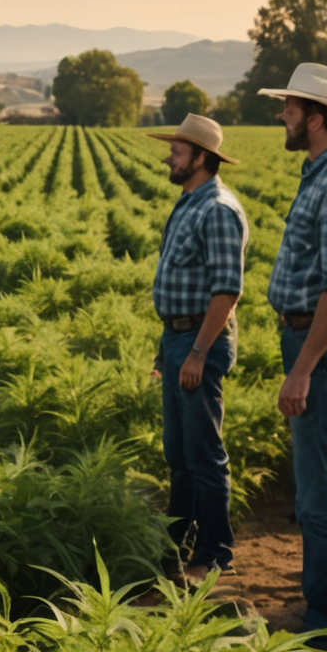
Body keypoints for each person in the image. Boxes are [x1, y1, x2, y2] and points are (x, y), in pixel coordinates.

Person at [260, 62, 327, 651]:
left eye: (290, 109)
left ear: (315, 118)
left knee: (320, 491)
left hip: (326, 346)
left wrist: (303, 368)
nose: (283, 116)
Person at [144, 113, 247, 582]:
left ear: (201, 158)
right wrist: (166, 349)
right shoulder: (188, 202)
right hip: (177, 337)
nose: (169, 156)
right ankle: (175, 547)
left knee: (204, 454)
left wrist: (198, 352)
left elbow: (226, 291)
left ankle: (212, 553)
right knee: (179, 453)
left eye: (178, 151)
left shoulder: (218, 209)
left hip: (198, 341)